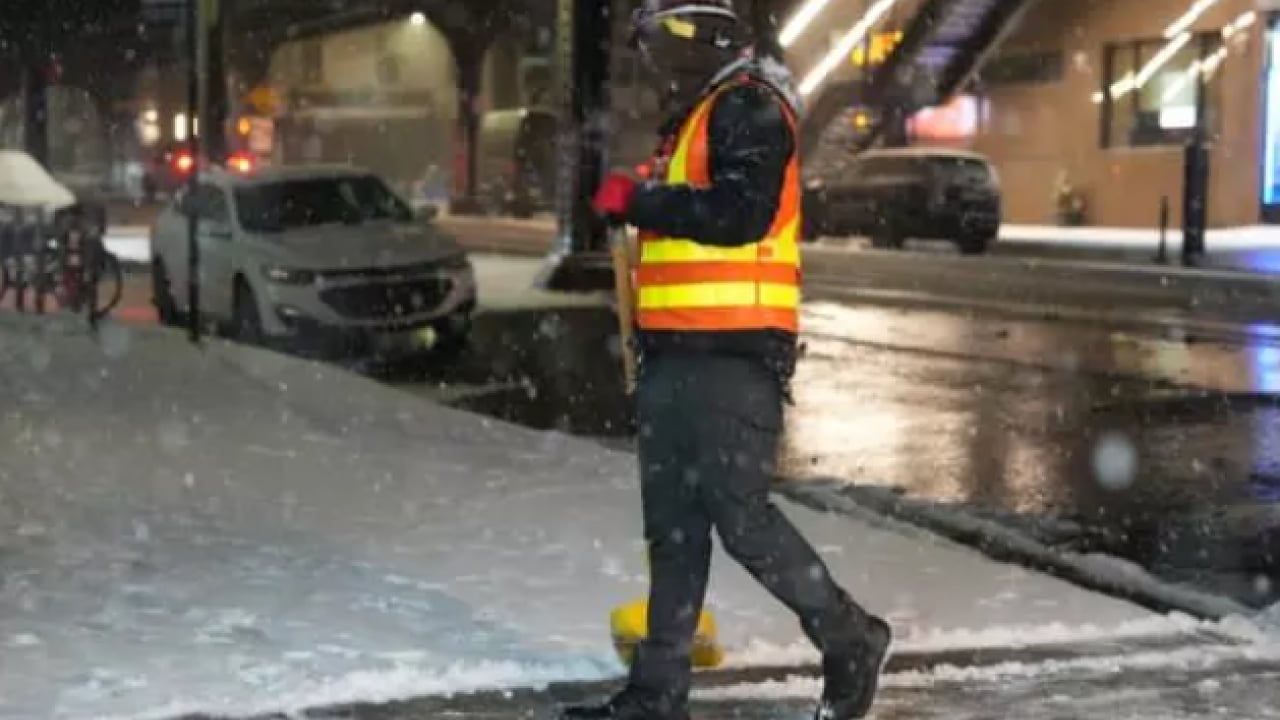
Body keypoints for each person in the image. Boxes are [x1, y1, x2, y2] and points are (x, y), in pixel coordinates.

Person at [561, 2, 891, 719]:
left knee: (738, 517)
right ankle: (657, 691)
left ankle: (849, 636)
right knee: (673, 527)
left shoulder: (750, 107)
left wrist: (642, 200)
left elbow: (741, 214)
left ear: (704, 32)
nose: (654, 59)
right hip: (677, 353)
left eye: (662, 39)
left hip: (733, 354)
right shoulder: (703, 112)